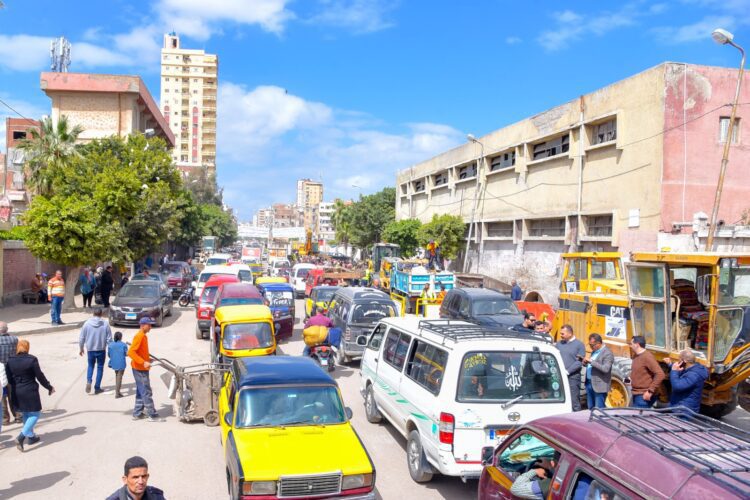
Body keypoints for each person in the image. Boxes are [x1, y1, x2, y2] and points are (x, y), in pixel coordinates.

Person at [6, 339, 55, 451]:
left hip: (17, 390)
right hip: (29, 390)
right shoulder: (31, 359)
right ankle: (21, 436)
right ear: (27, 348)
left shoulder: (10, 360)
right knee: (35, 414)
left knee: (26, 413)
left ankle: (31, 436)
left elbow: (9, 378)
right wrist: (49, 387)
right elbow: (40, 376)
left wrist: (16, 385)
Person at [128, 317, 162, 422]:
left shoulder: (143, 336)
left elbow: (139, 352)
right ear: (143, 325)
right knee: (146, 391)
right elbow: (131, 352)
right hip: (139, 369)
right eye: (149, 325)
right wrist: (143, 362)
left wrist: (147, 359)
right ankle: (152, 414)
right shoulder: (139, 336)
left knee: (140, 390)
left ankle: (137, 413)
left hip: (141, 367)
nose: (151, 327)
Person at [79, 307, 113, 395]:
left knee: (90, 366)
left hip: (90, 350)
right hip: (101, 350)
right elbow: (109, 339)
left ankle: (89, 381)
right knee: (100, 368)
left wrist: (81, 348)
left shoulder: (87, 324)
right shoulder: (105, 324)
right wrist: (111, 350)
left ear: (93, 314)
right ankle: (97, 387)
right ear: (101, 314)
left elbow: (82, 338)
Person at [629, 335, 665, 408]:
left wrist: (650, 391)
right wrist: (630, 379)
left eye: (631, 344)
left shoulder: (647, 357)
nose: (630, 346)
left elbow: (660, 374)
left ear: (637, 345)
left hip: (643, 395)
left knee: (637, 415)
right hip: (637, 393)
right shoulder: (636, 356)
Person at [556, 324, 586, 411]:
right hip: (559, 376)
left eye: (562, 334)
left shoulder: (579, 345)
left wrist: (567, 371)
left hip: (573, 377)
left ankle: (576, 417)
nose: (561, 335)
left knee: (574, 401)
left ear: (570, 334)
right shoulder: (559, 344)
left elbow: (579, 362)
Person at [581, 333, 613, 409]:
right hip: (589, 383)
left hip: (599, 386)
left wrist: (591, 361)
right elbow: (592, 366)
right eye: (590, 345)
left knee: (599, 410)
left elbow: (605, 369)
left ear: (598, 343)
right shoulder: (594, 351)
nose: (591, 347)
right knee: (590, 408)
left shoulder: (607, 353)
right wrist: (585, 363)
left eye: (592, 345)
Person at [0, 322, 20, 424]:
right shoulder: (14, 339)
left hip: (0, 372)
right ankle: (18, 416)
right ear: (6, 329)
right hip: (12, 370)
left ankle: (5, 419)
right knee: (13, 394)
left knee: (2, 396)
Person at [108, 331, 128, 398]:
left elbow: (109, 354)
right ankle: (117, 393)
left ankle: (118, 391)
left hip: (114, 363)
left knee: (117, 375)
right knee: (119, 377)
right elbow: (126, 354)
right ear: (121, 337)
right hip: (121, 363)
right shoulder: (123, 345)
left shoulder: (110, 345)